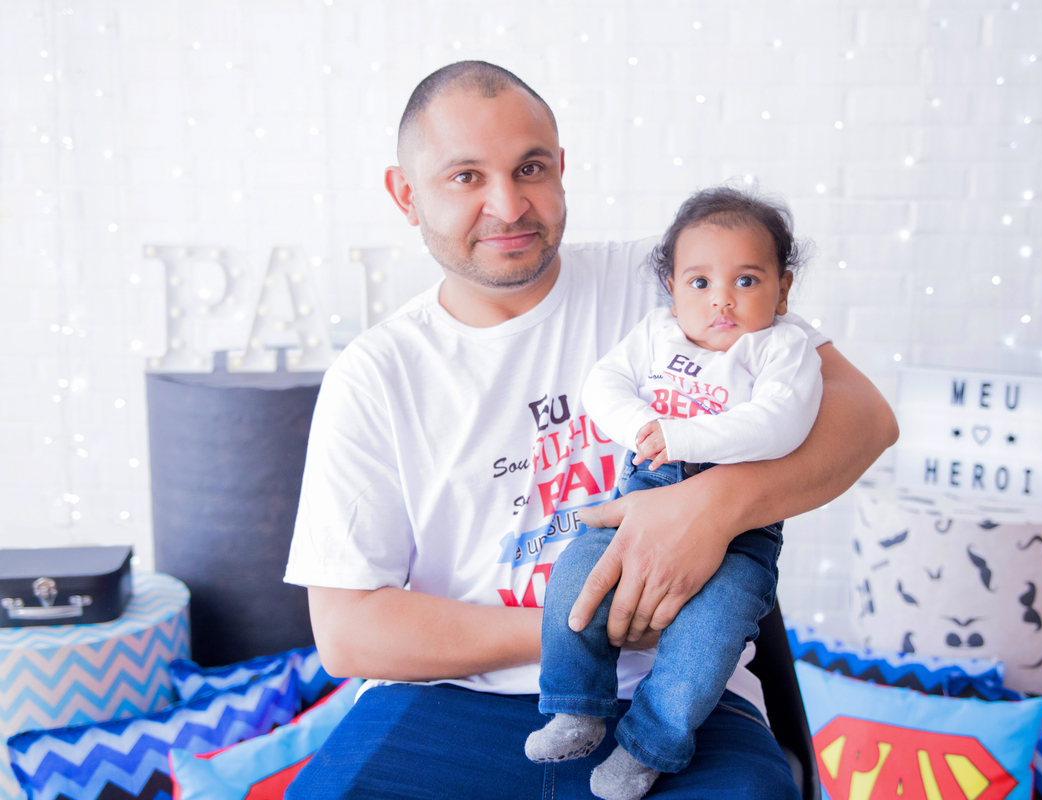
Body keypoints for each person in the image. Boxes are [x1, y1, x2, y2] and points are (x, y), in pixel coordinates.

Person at [283, 60, 897, 799]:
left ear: (563, 168)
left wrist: (708, 511)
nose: (508, 205)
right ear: (405, 194)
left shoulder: (670, 281)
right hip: (445, 699)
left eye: (530, 167)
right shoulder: (376, 374)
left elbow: (865, 418)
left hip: (671, 691)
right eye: (466, 177)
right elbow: (349, 632)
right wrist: (583, 622)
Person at [527, 186, 823, 800]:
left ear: (783, 289)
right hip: (644, 489)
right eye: (699, 282)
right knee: (574, 583)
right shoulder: (657, 333)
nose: (721, 300)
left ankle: (648, 746)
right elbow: (602, 383)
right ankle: (577, 706)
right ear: (671, 288)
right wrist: (641, 427)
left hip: (743, 532)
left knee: (708, 638)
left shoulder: (782, 347)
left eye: (746, 281)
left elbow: (779, 424)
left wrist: (680, 432)